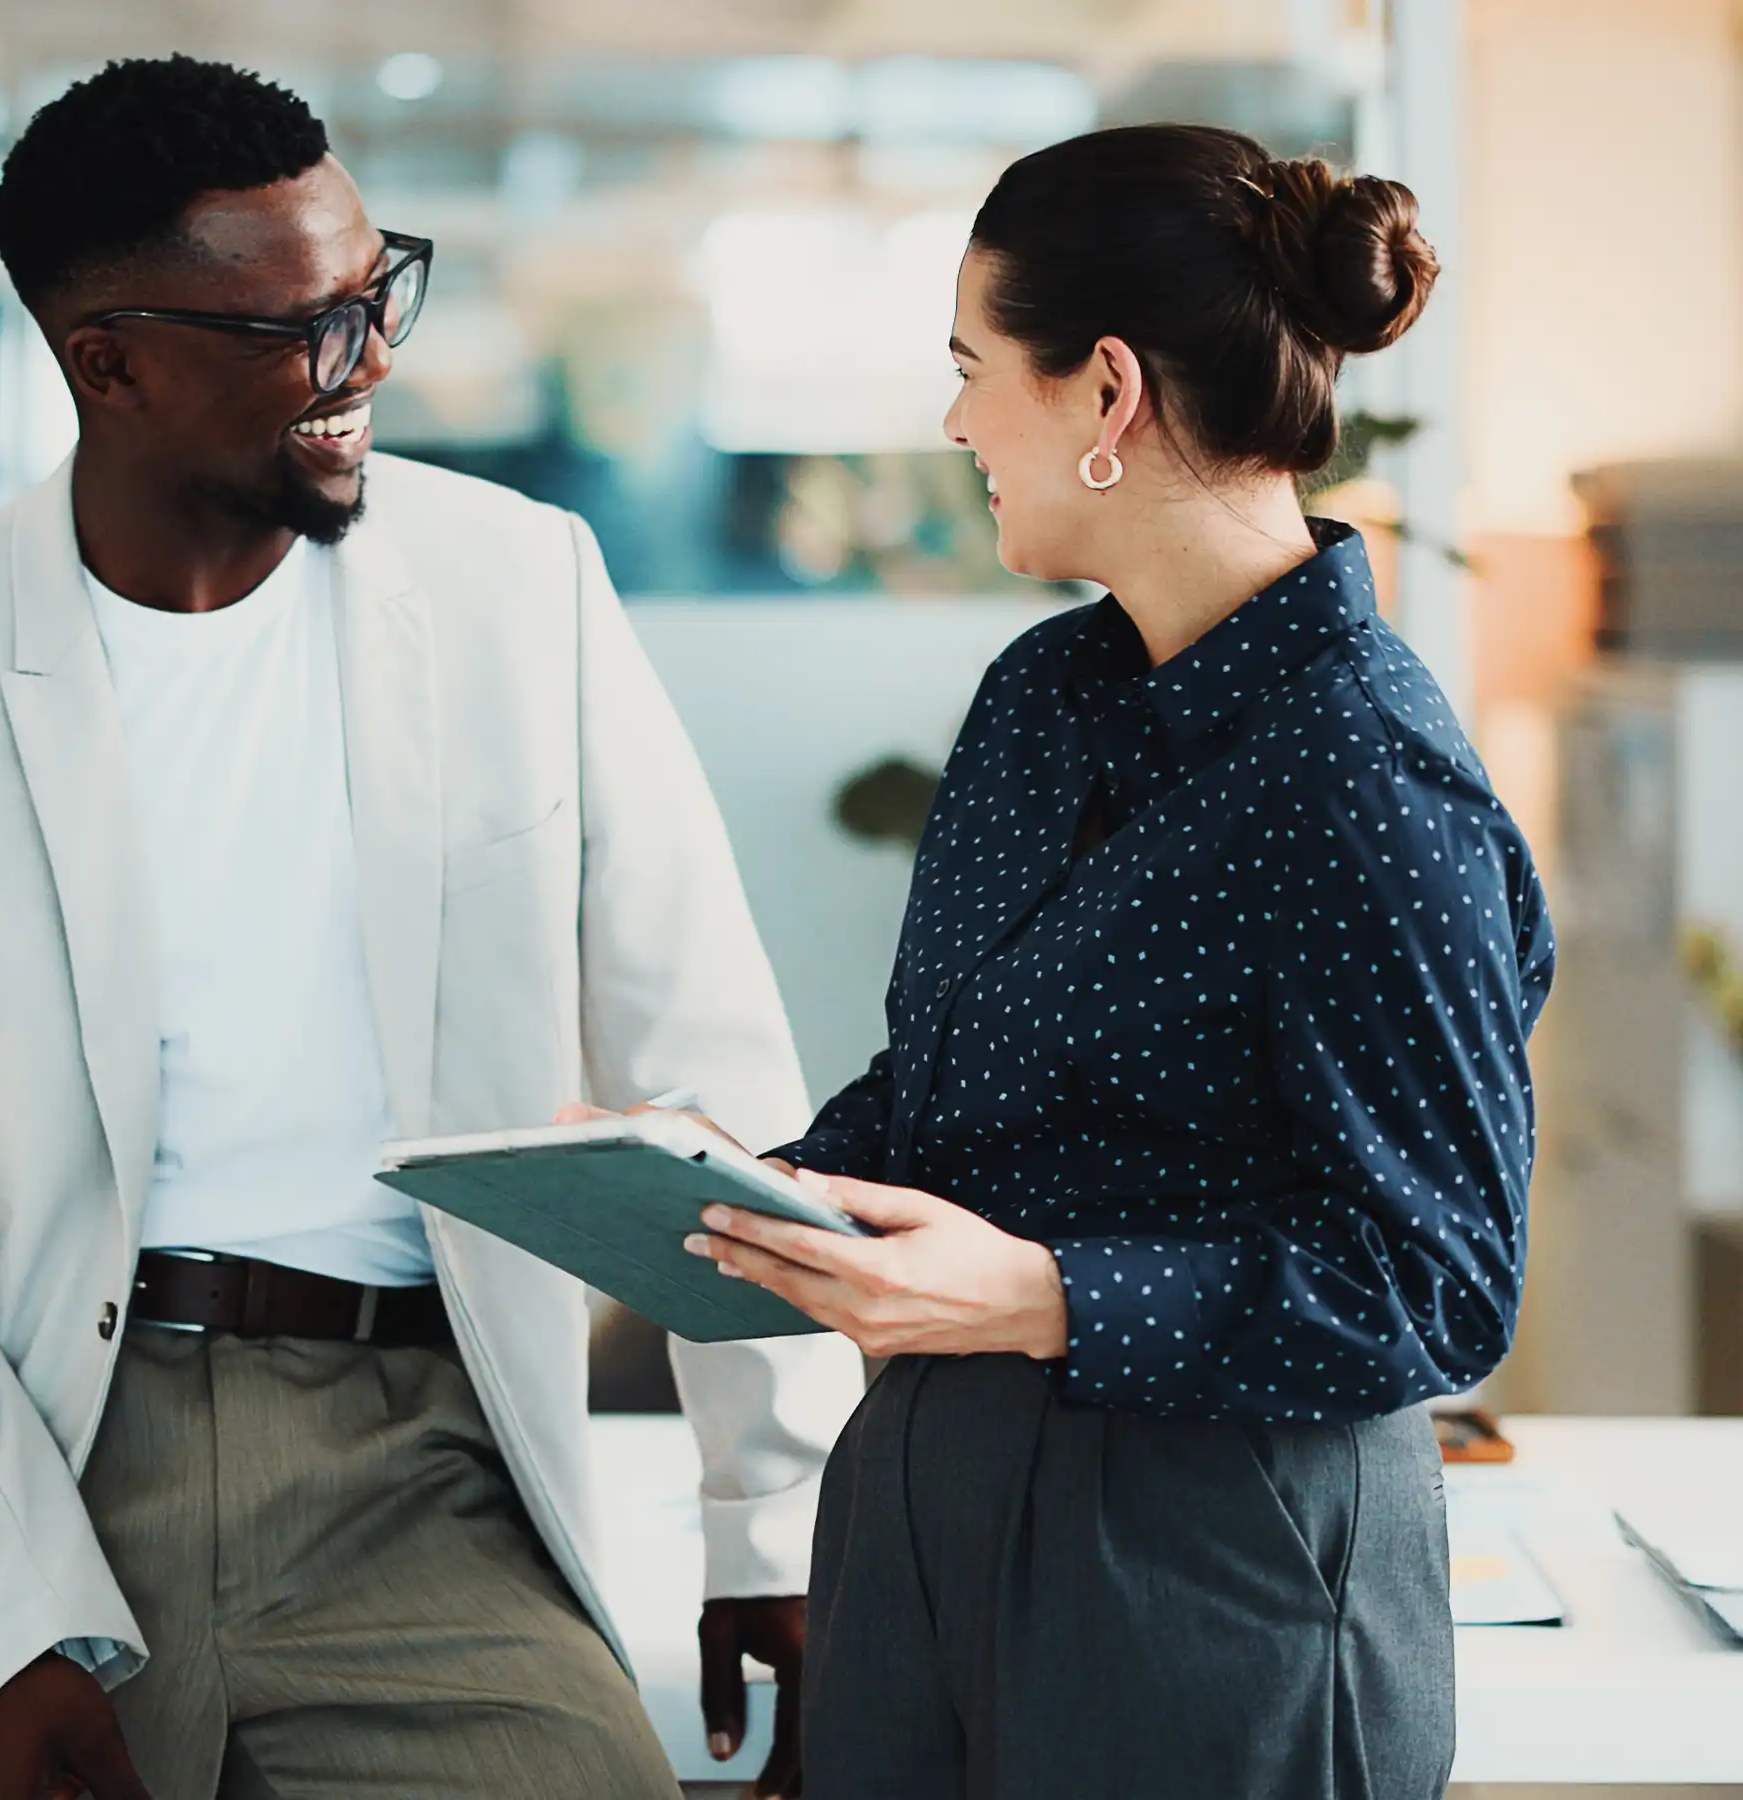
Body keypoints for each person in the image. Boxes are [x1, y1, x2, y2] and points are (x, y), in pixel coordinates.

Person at [0, 55, 859, 1800]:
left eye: (376, 294)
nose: (375, 366)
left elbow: (701, 1063)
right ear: (105, 360)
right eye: (305, 332)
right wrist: (9, 1628)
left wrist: (773, 1511)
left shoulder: (522, 587)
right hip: (29, 1451)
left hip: (428, 1457)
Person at [678, 125, 1555, 1799]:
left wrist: (1042, 1294)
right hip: (921, 1517)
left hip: (1213, 1557)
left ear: (1105, 393)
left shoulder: (1366, 775)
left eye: (969, 369)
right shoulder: (1038, 702)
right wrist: (757, 1183)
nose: (949, 425)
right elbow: (956, 1084)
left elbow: (1441, 1280)